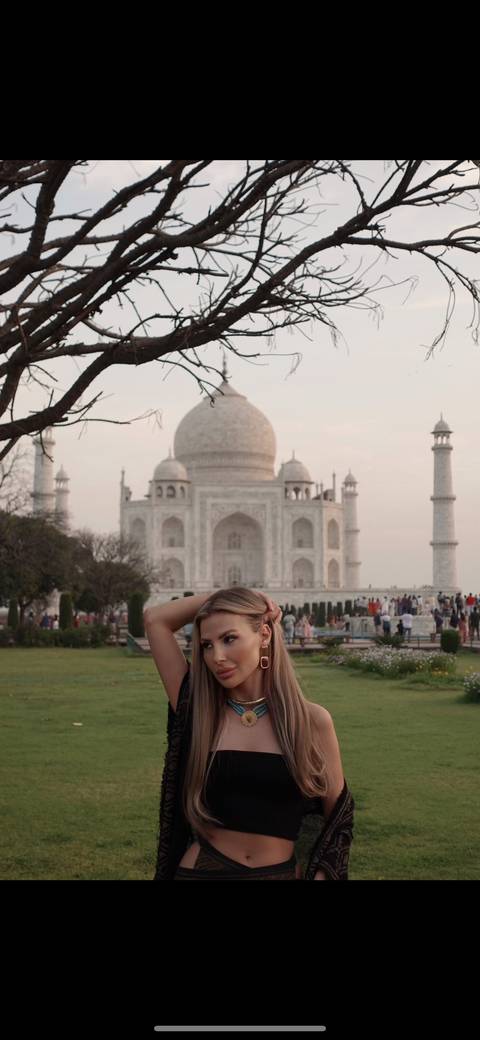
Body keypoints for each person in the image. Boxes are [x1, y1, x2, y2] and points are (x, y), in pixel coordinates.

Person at [145, 586, 354, 881]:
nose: (217, 656)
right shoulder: (200, 712)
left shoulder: (310, 721)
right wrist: (228, 595)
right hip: (203, 872)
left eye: (229, 639)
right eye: (207, 645)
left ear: (264, 635)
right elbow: (156, 619)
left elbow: (339, 819)